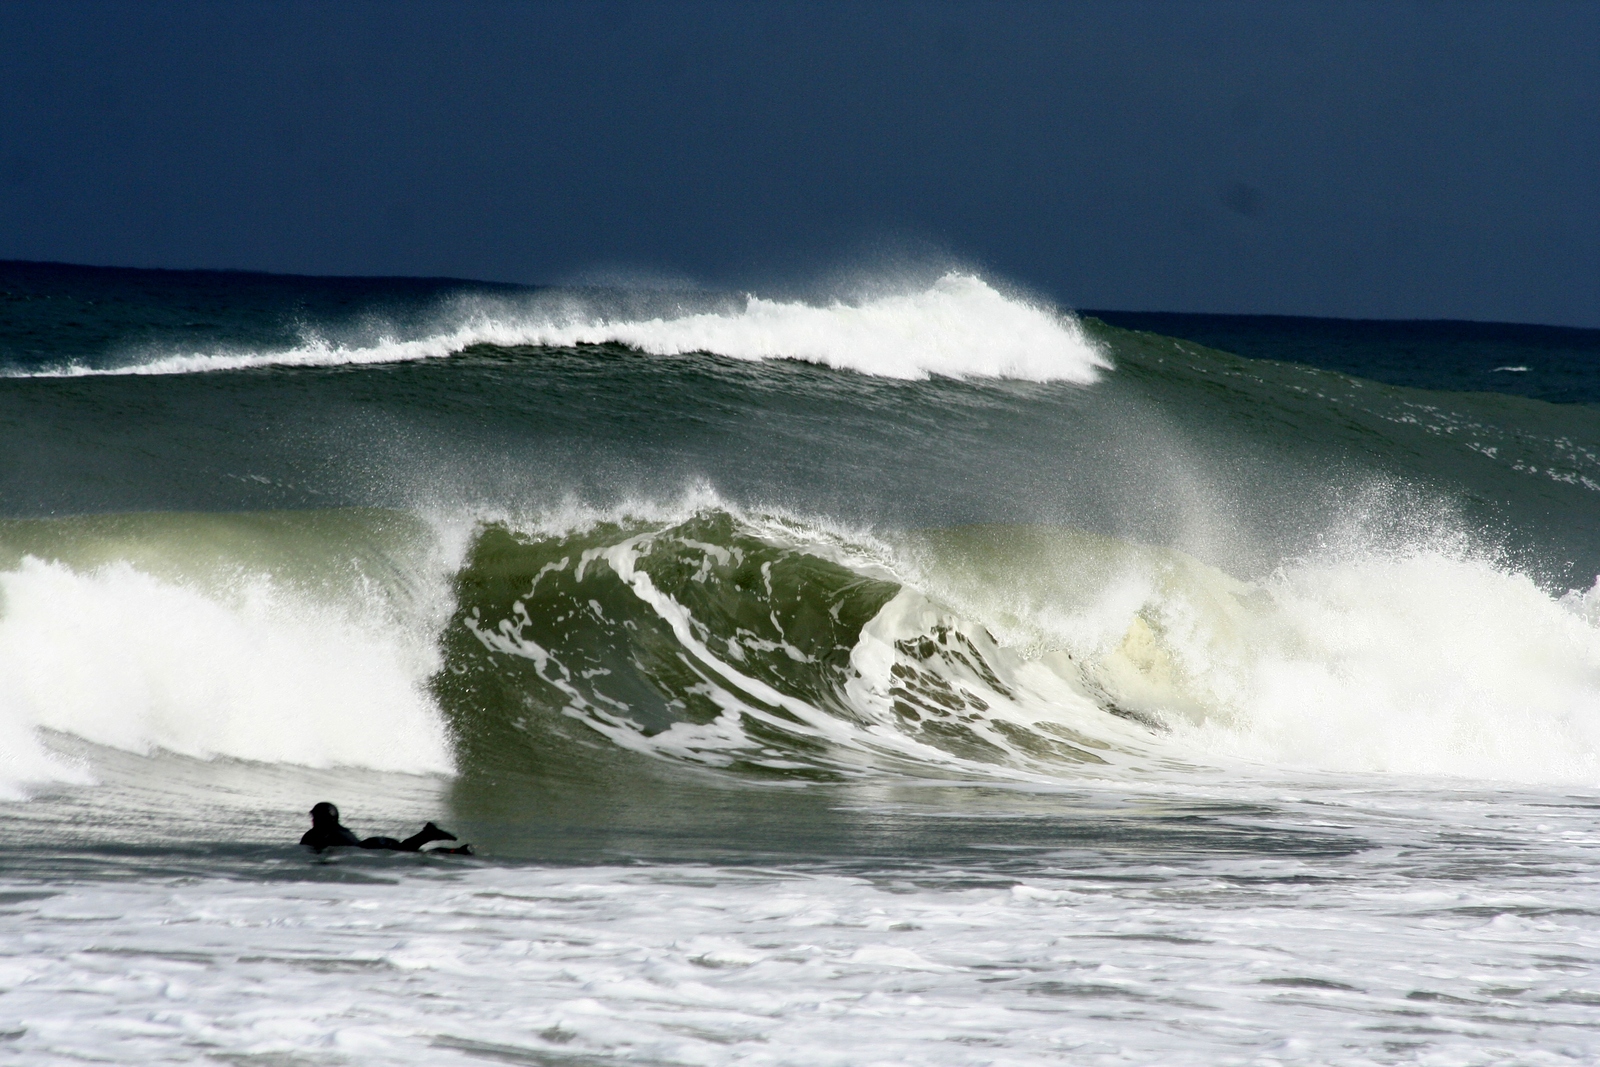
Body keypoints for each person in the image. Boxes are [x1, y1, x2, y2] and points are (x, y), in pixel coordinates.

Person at [300, 802, 472, 854]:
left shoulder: (316, 834)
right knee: (410, 850)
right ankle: (456, 851)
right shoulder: (342, 830)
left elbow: (305, 849)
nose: (312, 820)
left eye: (314, 817)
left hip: (371, 847)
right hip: (374, 842)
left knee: (409, 851)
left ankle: (428, 835)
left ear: (321, 818)